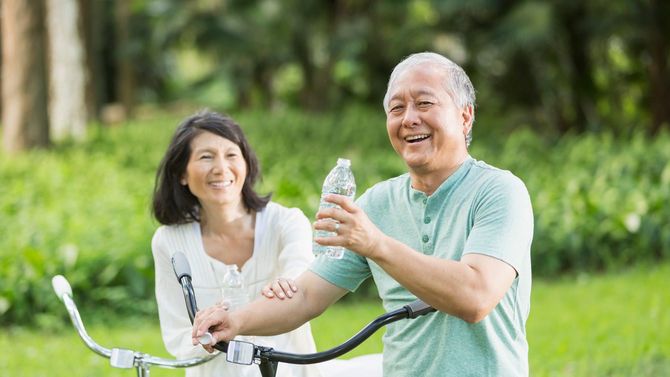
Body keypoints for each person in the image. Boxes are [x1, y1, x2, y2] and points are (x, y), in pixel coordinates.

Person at [192, 52, 534, 377]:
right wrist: (237, 321)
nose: (409, 118)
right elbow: (308, 295)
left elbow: (475, 296)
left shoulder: (500, 192)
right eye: (396, 108)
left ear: (464, 116)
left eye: (425, 103)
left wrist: (377, 244)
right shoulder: (377, 204)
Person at [151, 110, 322, 377]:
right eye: (206, 157)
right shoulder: (169, 241)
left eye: (231, 155)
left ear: (246, 164)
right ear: (182, 173)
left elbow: (300, 289)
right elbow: (177, 337)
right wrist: (208, 333)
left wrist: (241, 320)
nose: (221, 168)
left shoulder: (287, 223)